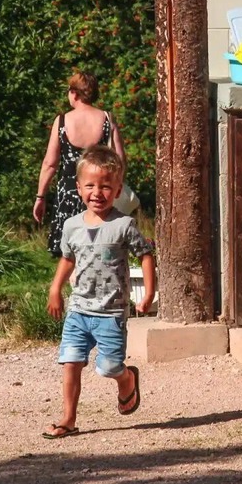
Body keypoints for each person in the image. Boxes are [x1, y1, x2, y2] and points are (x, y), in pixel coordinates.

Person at [42, 145, 156, 439]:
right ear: (79, 188)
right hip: (79, 310)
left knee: (108, 367)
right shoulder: (71, 226)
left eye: (106, 186)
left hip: (111, 313)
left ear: (118, 190)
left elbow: (145, 254)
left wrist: (148, 293)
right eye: (90, 186)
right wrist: (55, 289)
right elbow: (67, 260)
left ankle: (127, 379)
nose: (97, 192)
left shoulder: (124, 224)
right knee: (71, 362)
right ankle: (68, 418)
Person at [33, 71, 126, 257]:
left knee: (69, 253)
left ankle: (74, 283)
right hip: (99, 193)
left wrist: (40, 197)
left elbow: (49, 164)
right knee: (99, 248)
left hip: (69, 194)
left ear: (74, 93)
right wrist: (115, 189)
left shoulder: (61, 121)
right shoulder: (107, 118)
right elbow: (120, 160)